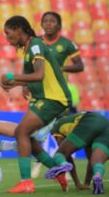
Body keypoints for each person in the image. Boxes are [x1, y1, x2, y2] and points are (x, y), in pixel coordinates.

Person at [0, 16, 72, 193]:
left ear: (19, 29)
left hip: (53, 98)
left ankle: (26, 182)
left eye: (8, 34)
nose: (7, 39)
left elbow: (39, 75)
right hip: (44, 98)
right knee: (27, 138)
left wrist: (13, 77)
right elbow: (37, 79)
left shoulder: (35, 45)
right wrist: (17, 84)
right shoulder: (29, 47)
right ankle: (58, 171)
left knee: (21, 132)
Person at [31, 11, 85, 178]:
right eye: (45, 21)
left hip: (59, 94)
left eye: (52, 21)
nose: (48, 24)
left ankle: (64, 167)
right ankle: (37, 163)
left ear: (59, 26)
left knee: (59, 132)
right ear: (41, 24)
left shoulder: (67, 44)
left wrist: (61, 68)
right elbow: (29, 63)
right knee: (35, 130)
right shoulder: (36, 42)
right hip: (40, 93)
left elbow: (80, 66)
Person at [45, 111, 109, 194]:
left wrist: (77, 183)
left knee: (60, 154)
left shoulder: (57, 125)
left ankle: (63, 164)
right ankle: (97, 175)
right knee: (95, 160)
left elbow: (66, 155)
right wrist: (86, 184)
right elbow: (89, 158)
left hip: (89, 120)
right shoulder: (73, 118)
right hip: (104, 122)